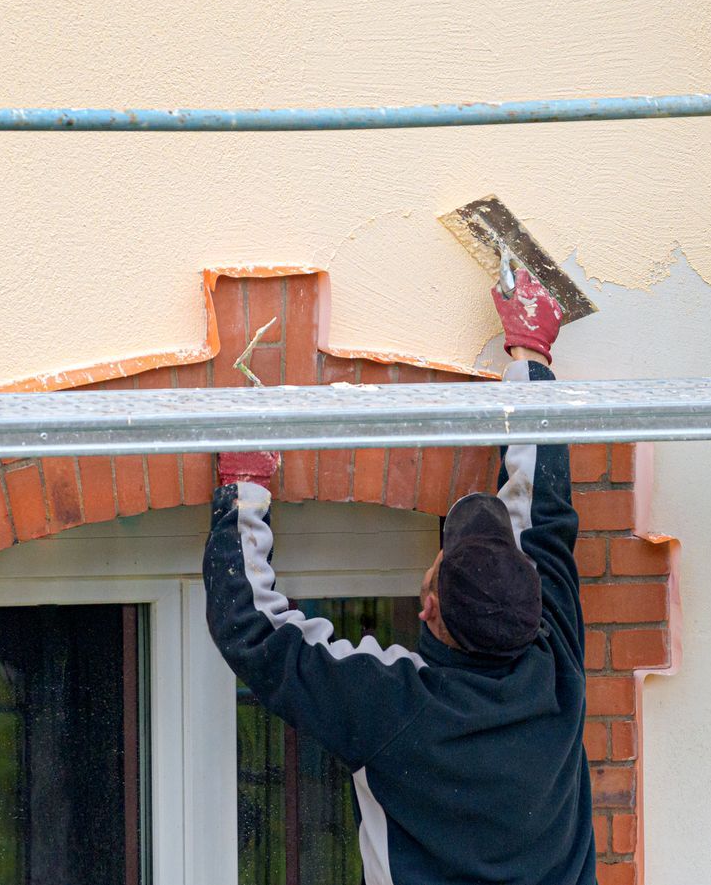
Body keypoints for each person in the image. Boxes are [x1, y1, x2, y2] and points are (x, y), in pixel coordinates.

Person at [202, 268, 594, 885]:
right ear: (534, 601)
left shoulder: (396, 709)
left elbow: (253, 629)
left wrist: (243, 488)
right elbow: (543, 512)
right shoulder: (557, 666)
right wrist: (530, 354)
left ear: (429, 608)